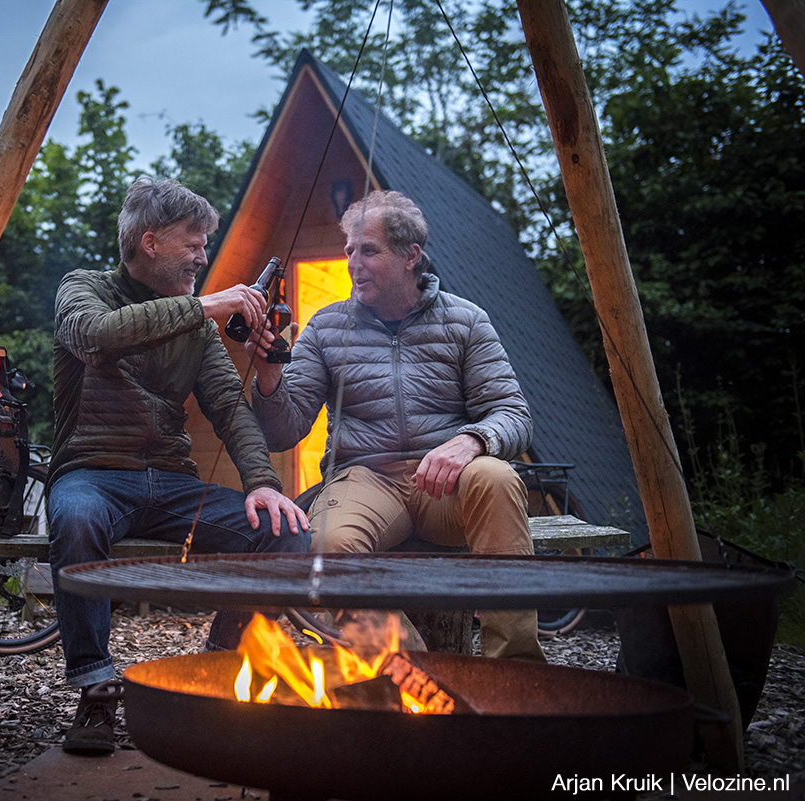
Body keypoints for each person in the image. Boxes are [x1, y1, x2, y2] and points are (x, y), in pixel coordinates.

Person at [47, 176, 311, 755]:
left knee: (287, 531)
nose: (203, 255)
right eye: (193, 243)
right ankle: (93, 690)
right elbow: (95, 339)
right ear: (150, 241)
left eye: (205, 244)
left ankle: (217, 667)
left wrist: (264, 484)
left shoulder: (197, 328)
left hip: (171, 483)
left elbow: (230, 409)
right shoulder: (83, 289)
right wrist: (204, 306)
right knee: (75, 520)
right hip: (92, 470)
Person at [248, 190, 544, 663]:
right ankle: (419, 674)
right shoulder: (326, 327)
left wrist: (470, 442)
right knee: (328, 547)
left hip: (446, 483)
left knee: (499, 477)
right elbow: (284, 431)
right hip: (365, 478)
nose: (352, 263)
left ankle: (515, 671)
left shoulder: (466, 321)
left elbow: (513, 414)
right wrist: (268, 377)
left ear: (412, 257)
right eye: (349, 251)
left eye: (368, 250)